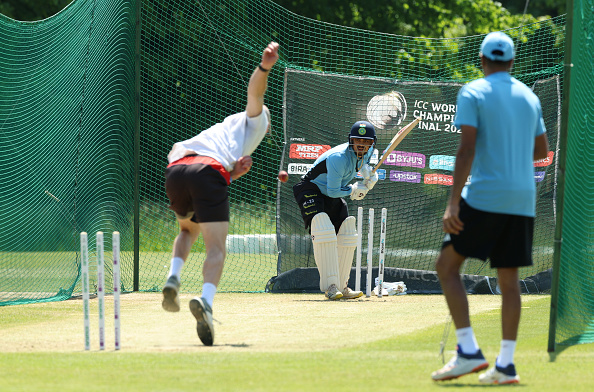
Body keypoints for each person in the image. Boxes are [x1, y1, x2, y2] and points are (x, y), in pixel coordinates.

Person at [430, 32, 549, 384]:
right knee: (509, 280)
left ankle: (467, 351)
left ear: (482, 61)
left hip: (485, 195)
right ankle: (506, 365)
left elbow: (466, 149)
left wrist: (453, 203)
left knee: (446, 266)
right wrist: (511, 159)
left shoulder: (473, 91)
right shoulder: (529, 96)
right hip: (522, 198)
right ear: (512, 62)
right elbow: (541, 150)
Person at [161, 42, 280, 346]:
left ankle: (173, 278)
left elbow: (209, 173)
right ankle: (206, 302)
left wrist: (232, 173)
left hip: (176, 167)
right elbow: (256, 94)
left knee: (188, 229)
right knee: (216, 248)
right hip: (207, 172)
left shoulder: (223, 129)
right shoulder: (256, 119)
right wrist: (265, 66)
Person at [293, 120, 379, 300]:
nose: (361, 145)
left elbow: (361, 165)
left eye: (366, 142)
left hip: (329, 192)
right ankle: (330, 287)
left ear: (372, 143)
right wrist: (354, 190)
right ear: (351, 141)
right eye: (358, 141)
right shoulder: (338, 158)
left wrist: (368, 175)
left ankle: (342, 285)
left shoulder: (368, 151)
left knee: (347, 231)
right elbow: (333, 191)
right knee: (323, 228)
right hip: (311, 189)